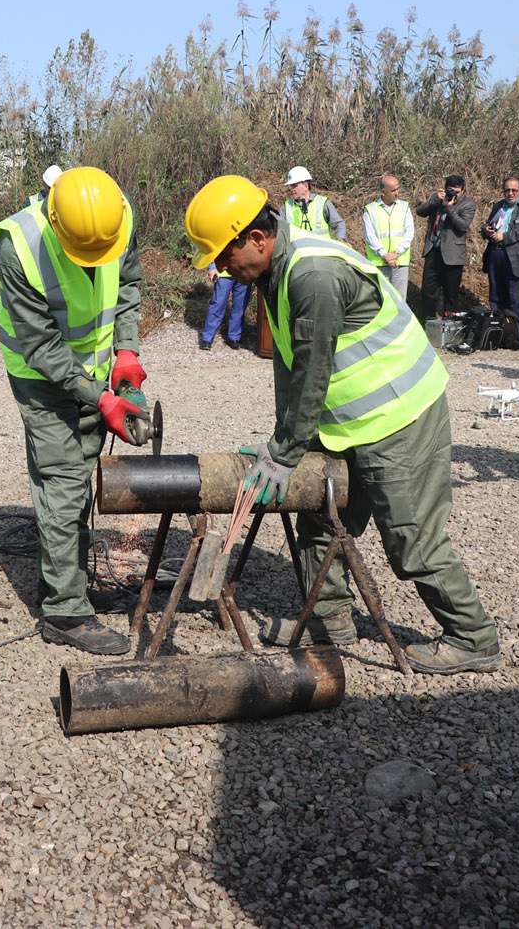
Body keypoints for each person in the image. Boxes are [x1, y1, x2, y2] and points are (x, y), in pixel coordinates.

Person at [185, 175, 500, 675]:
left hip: (399, 414)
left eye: (223, 256)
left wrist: (287, 449)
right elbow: (289, 367)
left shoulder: (313, 275)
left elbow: (313, 371)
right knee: (320, 516)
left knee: (410, 535)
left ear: (257, 239)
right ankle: (329, 622)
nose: (221, 268)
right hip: (351, 422)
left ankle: (472, 636)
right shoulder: (276, 272)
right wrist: (284, 444)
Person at [0, 166, 144, 655]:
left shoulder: (116, 217)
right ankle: (65, 612)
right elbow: (41, 345)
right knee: (63, 480)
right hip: (42, 379)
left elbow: (128, 287)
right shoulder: (19, 247)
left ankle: (64, 579)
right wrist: (100, 397)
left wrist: (127, 351)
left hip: (97, 372)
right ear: (56, 219)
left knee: (78, 476)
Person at [415, 175, 476, 322]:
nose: (452, 194)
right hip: (433, 251)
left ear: (463, 190)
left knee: (451, 294)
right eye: (450, 190)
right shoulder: (438, 199)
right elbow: (420, 211)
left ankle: (449, 327)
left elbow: (462, 226)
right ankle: (428, 323)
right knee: (429, 292)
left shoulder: (468, 204)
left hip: (453, 255)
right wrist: (436, 200)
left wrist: (449, 208)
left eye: (456, 191)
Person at [480, 176, 519, 325]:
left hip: (516, 258)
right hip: (496, 254)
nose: (510, 193)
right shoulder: (498, 206)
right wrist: (486, 229)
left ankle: (514, 334)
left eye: (514, 190)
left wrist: (504, 236)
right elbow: (488, 224)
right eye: (507, 190)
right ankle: (498, 331)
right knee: (496, 296)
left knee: (514, 298)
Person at [362, 174, 415, 300]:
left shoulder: (404, 207)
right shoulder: (370, 209)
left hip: (400, 262)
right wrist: (385, 255)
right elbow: (370, 236)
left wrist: (396, 253)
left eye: (397, 189)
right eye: (393, 190)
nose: (397, 193)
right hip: (379, 263)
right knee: (380, 300)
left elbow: (409, 232)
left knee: (399, 301)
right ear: (383, 192)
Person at [279, 166, 346, 241]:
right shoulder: (286, 207)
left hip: (321, 251)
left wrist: (341, 240)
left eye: (295, 186)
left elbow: (338, 224)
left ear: (306, 186)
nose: (291, 189)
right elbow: (277, 229)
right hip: (297, 252)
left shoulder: (323, 203)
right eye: (291, 186)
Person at [199, 261, 249, 350]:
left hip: (244, 273)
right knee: (218, 305)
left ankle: (234, 337)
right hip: (223, 273)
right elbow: (215, 248)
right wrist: (213, 267)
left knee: (240, 307)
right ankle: (207, 338)